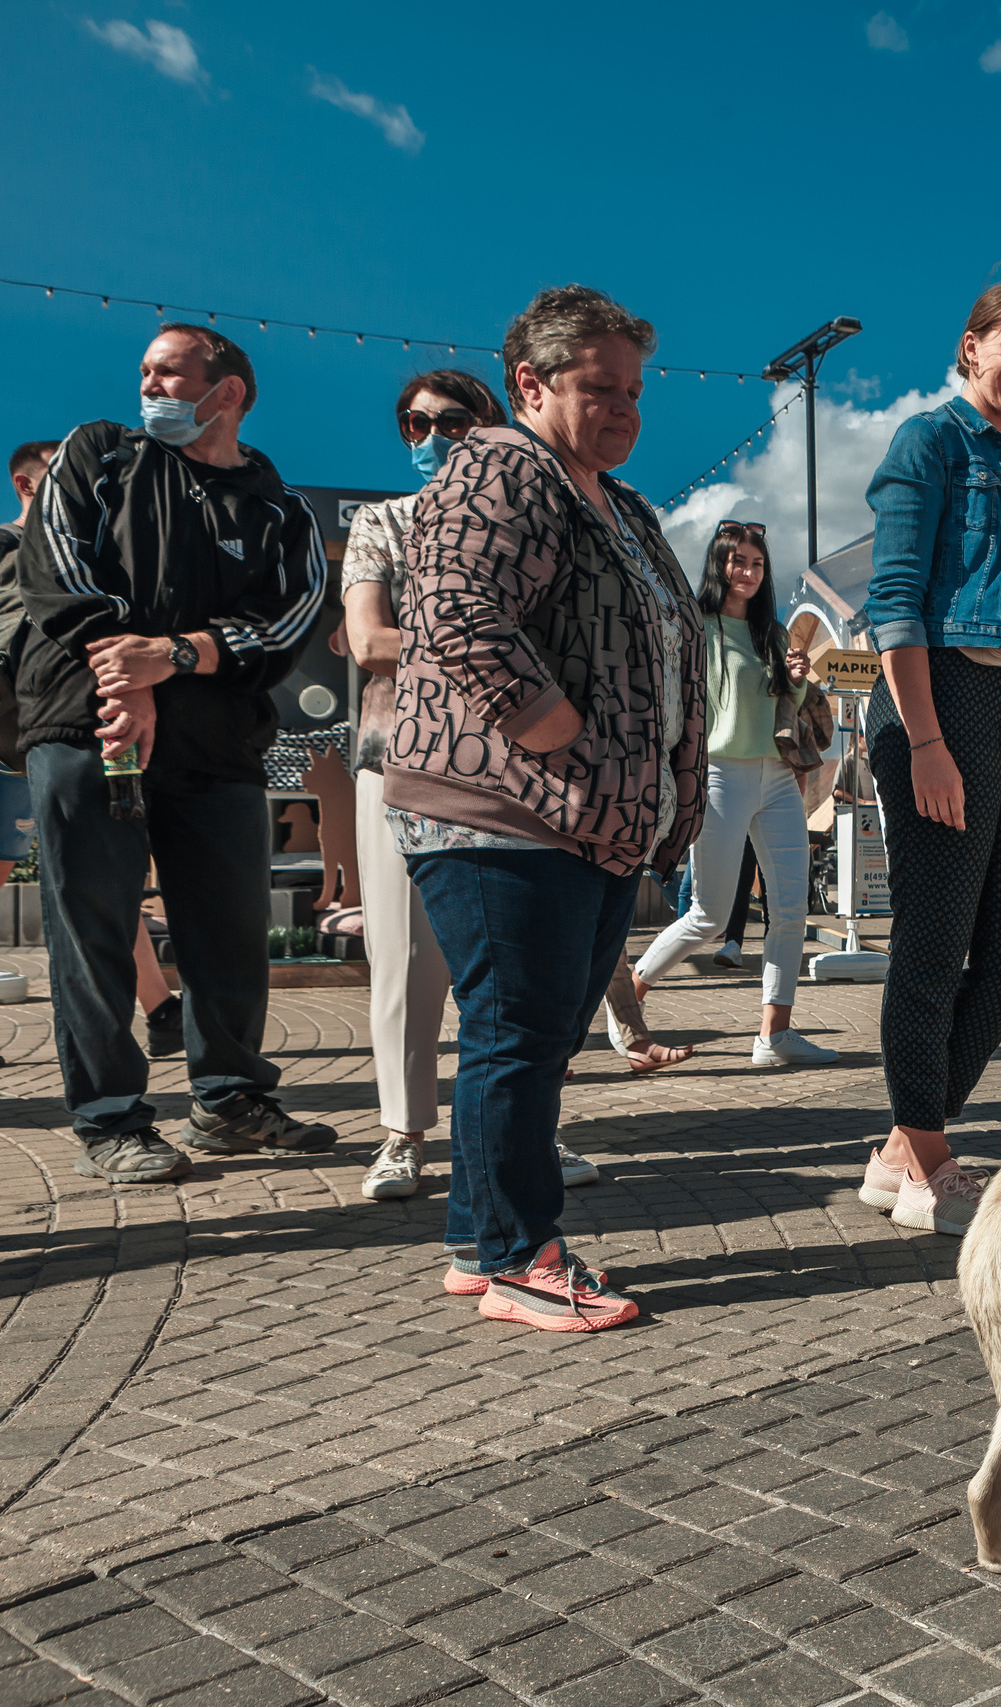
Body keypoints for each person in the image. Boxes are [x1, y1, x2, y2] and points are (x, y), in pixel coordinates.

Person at [387, 285, 704, 1330]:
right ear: (529, 383)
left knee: (538, 1029)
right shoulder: (501, 464)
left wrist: (668, 782)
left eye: (633, 392)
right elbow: (454, 606)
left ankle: (480, 1241)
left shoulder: (621, 503)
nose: (623, 410)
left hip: (590, 818)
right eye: (598, 388)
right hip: (503, 806)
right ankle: (526, 1257)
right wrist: (553, 727)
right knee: (516, 1029)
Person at [18, 326, 335, 1184]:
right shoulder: (96, 454)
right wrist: (130, 677)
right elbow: (54, 569)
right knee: (94, 932)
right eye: (145, 372)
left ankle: (230, 1100)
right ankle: (111, 1118)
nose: (148, 384)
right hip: (87, 732)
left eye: (168, 372)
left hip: (219, 752)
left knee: (231, 933)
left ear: (226, 391)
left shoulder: (278, 504)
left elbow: (293, 620)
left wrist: (181, 654)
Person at [857, 283, 1001, 1234]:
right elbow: (893, 596)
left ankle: (908, 1141)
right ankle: (928, 1162)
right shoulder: (929, 443)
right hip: (937, 698)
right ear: (970, 346)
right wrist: (927, 740)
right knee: (933, 943)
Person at [630, 521, 835, 1066]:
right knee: (710, 916)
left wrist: (795, 677)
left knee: (790, 909)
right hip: (718, 774)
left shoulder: (772, 631)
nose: (747, 572)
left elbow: (784, 704)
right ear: (719, 564)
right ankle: (626, 999)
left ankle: (774, 1035)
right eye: (737, 561)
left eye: (757, 564)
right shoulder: (696, 625)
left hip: (776, 775)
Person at [0, 441, 60, 1036]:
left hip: (39, 734)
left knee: (82, 860)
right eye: (59, 477)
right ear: (26, 486)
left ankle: (159, 1008)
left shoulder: (75, 552)